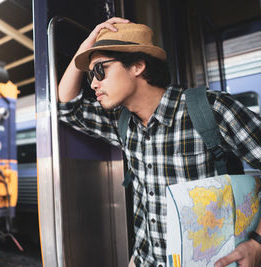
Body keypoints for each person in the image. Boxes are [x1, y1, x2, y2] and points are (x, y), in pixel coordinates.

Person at [57, 17, 261, 267]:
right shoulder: (122, 124)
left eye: (100, 70)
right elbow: (66, 106)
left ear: (137, 66)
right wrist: (86, 47)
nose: (93, 83)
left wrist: (257, 243)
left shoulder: (210, 109)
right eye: (90, 75)